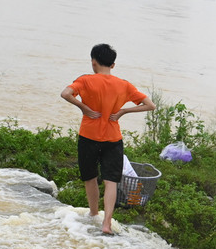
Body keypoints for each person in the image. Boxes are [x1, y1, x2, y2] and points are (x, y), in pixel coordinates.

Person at [60, 43, 155, 234]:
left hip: (89, 136)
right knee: (111, 181)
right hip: (113, 138)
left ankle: (94, 213)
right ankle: (107, 224)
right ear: (113, 65)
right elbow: (150, 105)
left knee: (90, 177)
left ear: (93, 62)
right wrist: (123, 111)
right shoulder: (124, 85)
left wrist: (84, 108)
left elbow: (65, 94)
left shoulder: (86, 80)